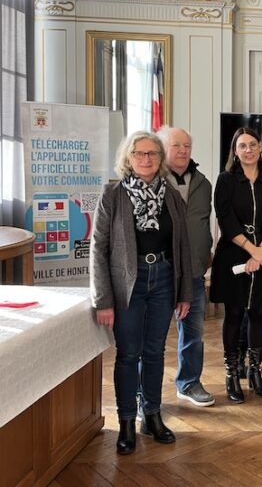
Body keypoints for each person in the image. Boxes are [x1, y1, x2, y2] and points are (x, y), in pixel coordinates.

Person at [91, 131, 193, 456]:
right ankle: (126, 422)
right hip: (127, 284)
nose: (146, 159)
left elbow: (182, 247)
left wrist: (185, 293)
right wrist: (103, 299)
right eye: (139, 153)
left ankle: (152, 415)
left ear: (160, 159)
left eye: (152, 154)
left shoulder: (173, 196)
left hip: (163, 278)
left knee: (154, 352)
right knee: (128, 354)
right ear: (128, 157)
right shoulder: (112, 194)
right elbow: (98, 249)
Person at [209, 128, 262, 402]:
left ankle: (255, 370)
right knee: (234, 314)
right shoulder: (226, 180)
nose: (248, 150)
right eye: (242, 146)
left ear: (260, 148)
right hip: (234, 255)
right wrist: (252, 250)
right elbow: (225, 219)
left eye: (253, 144)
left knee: (257, 314)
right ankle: (232, 373)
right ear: (235, 150)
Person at [157, 126, 215, 408]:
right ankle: (147, 393)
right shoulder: (151, 181)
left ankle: (189, 382)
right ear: (163, 149)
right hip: (159, 272)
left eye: (187, 146)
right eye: (176, 145)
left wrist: (207, 252)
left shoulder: (203, 183)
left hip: (193, 272)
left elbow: (203, 223)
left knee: (193, 333)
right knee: (152, 337)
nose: (182, 151)